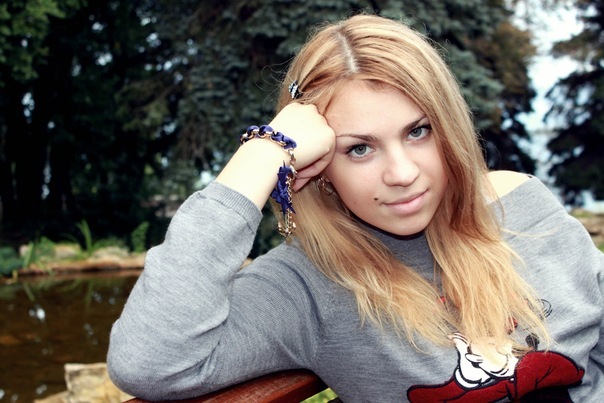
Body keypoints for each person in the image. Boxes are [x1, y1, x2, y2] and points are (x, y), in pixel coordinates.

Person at [107, 14, 604, 402]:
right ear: (320, 166)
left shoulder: (519, 205)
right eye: (359, 148)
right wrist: (261, 154)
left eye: (418, 130)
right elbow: (150, 361)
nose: (402, 173)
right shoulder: (305, 287)